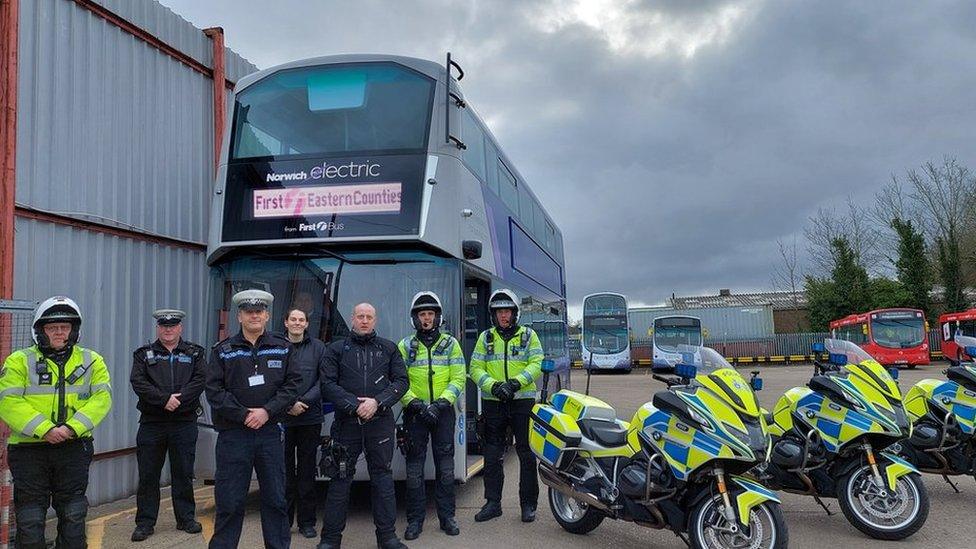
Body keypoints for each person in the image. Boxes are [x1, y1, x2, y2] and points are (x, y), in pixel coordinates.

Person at [0, 296, 112, 548]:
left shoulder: (91, 360)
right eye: (52, 327)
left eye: (65, 326)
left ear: (74, 330)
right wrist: (45, 429)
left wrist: (72, 428)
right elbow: (8, 402)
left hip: (73, 448)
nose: (59, 332)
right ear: (40, 330)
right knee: (30, 519)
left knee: (73, 514)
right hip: (29, 450)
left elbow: (101, 399)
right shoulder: (19, 361)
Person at [206, 290, 302, 549]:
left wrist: (266, 412)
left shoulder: (282, 347)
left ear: (267, 315)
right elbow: (214, 391)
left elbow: (292, 385)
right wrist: (245, 415)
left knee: (275, 500)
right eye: (249, 312)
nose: (254, 316)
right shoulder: (223, 351)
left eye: (259, 312)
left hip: (269, 434)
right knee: (229, 501)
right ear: (239, 316)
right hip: (234, 435)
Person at [318, 303, 409, 549]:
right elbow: (327, 384)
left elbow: (402, 381)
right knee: (340, 480)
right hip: (346, 423)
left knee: (382, 479)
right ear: (352, 319)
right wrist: (353, 405)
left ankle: (387, 537)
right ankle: (330, 539)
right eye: (360, 316)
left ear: (375, 320)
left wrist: (378, 402)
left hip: (380, 424)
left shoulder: (389, 348)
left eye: (369, 316)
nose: (365, 320)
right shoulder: (335, 349)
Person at [130, 309, 207, 542]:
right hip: (152, 423)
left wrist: (179, 400)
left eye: (173, 326)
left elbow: (200, 380)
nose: (168, 329)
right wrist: (164, 400)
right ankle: (145, 523)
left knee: (183, 473)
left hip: (184, 422)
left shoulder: (194, 353)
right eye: (164, 326)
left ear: (180, 328)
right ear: (158, 329)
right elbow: (138, 382)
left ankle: (185, 519)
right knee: (148, 475)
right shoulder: (143, 354)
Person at [469, 289, 544, 523]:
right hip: (494, 403)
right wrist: (493, 386)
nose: (504, 316)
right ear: (494, 314)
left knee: (526, 453)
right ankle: (493, 504)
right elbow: (475, 368)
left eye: (507, 311)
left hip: (522, 401)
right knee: (492, 455)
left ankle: (528, 504)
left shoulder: (528, 335)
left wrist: (515, 383)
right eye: (499, 311)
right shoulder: (485, 338)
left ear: (515, 313)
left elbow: (537, 363)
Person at [398, 292, 465, 540]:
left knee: (446, 468)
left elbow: (458, 377)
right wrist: (414, 403)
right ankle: (415, 520)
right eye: (422, 315)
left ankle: (447, 517)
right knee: (414, 470)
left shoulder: (451, 344)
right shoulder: (405, 345)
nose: (426, 318)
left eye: (430, 314)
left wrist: (439, 404)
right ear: (415, 319)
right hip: (415, 414)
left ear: (438, 318)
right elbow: (399, 379)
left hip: (443, 413)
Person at [281, 307, 326, 539]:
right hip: (282, 419)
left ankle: (307, 522)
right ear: (286, 323)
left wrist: (303, 402)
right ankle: (284, 522)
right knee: (284, 473)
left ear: (307, 324)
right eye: (293, 319)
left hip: (310, 418)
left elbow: (323, 380)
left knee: (307, 473)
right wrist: (289, 405)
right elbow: (272, 381)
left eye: (301, 320)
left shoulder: (319, 348)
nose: (297, 323)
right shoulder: (275, 346)